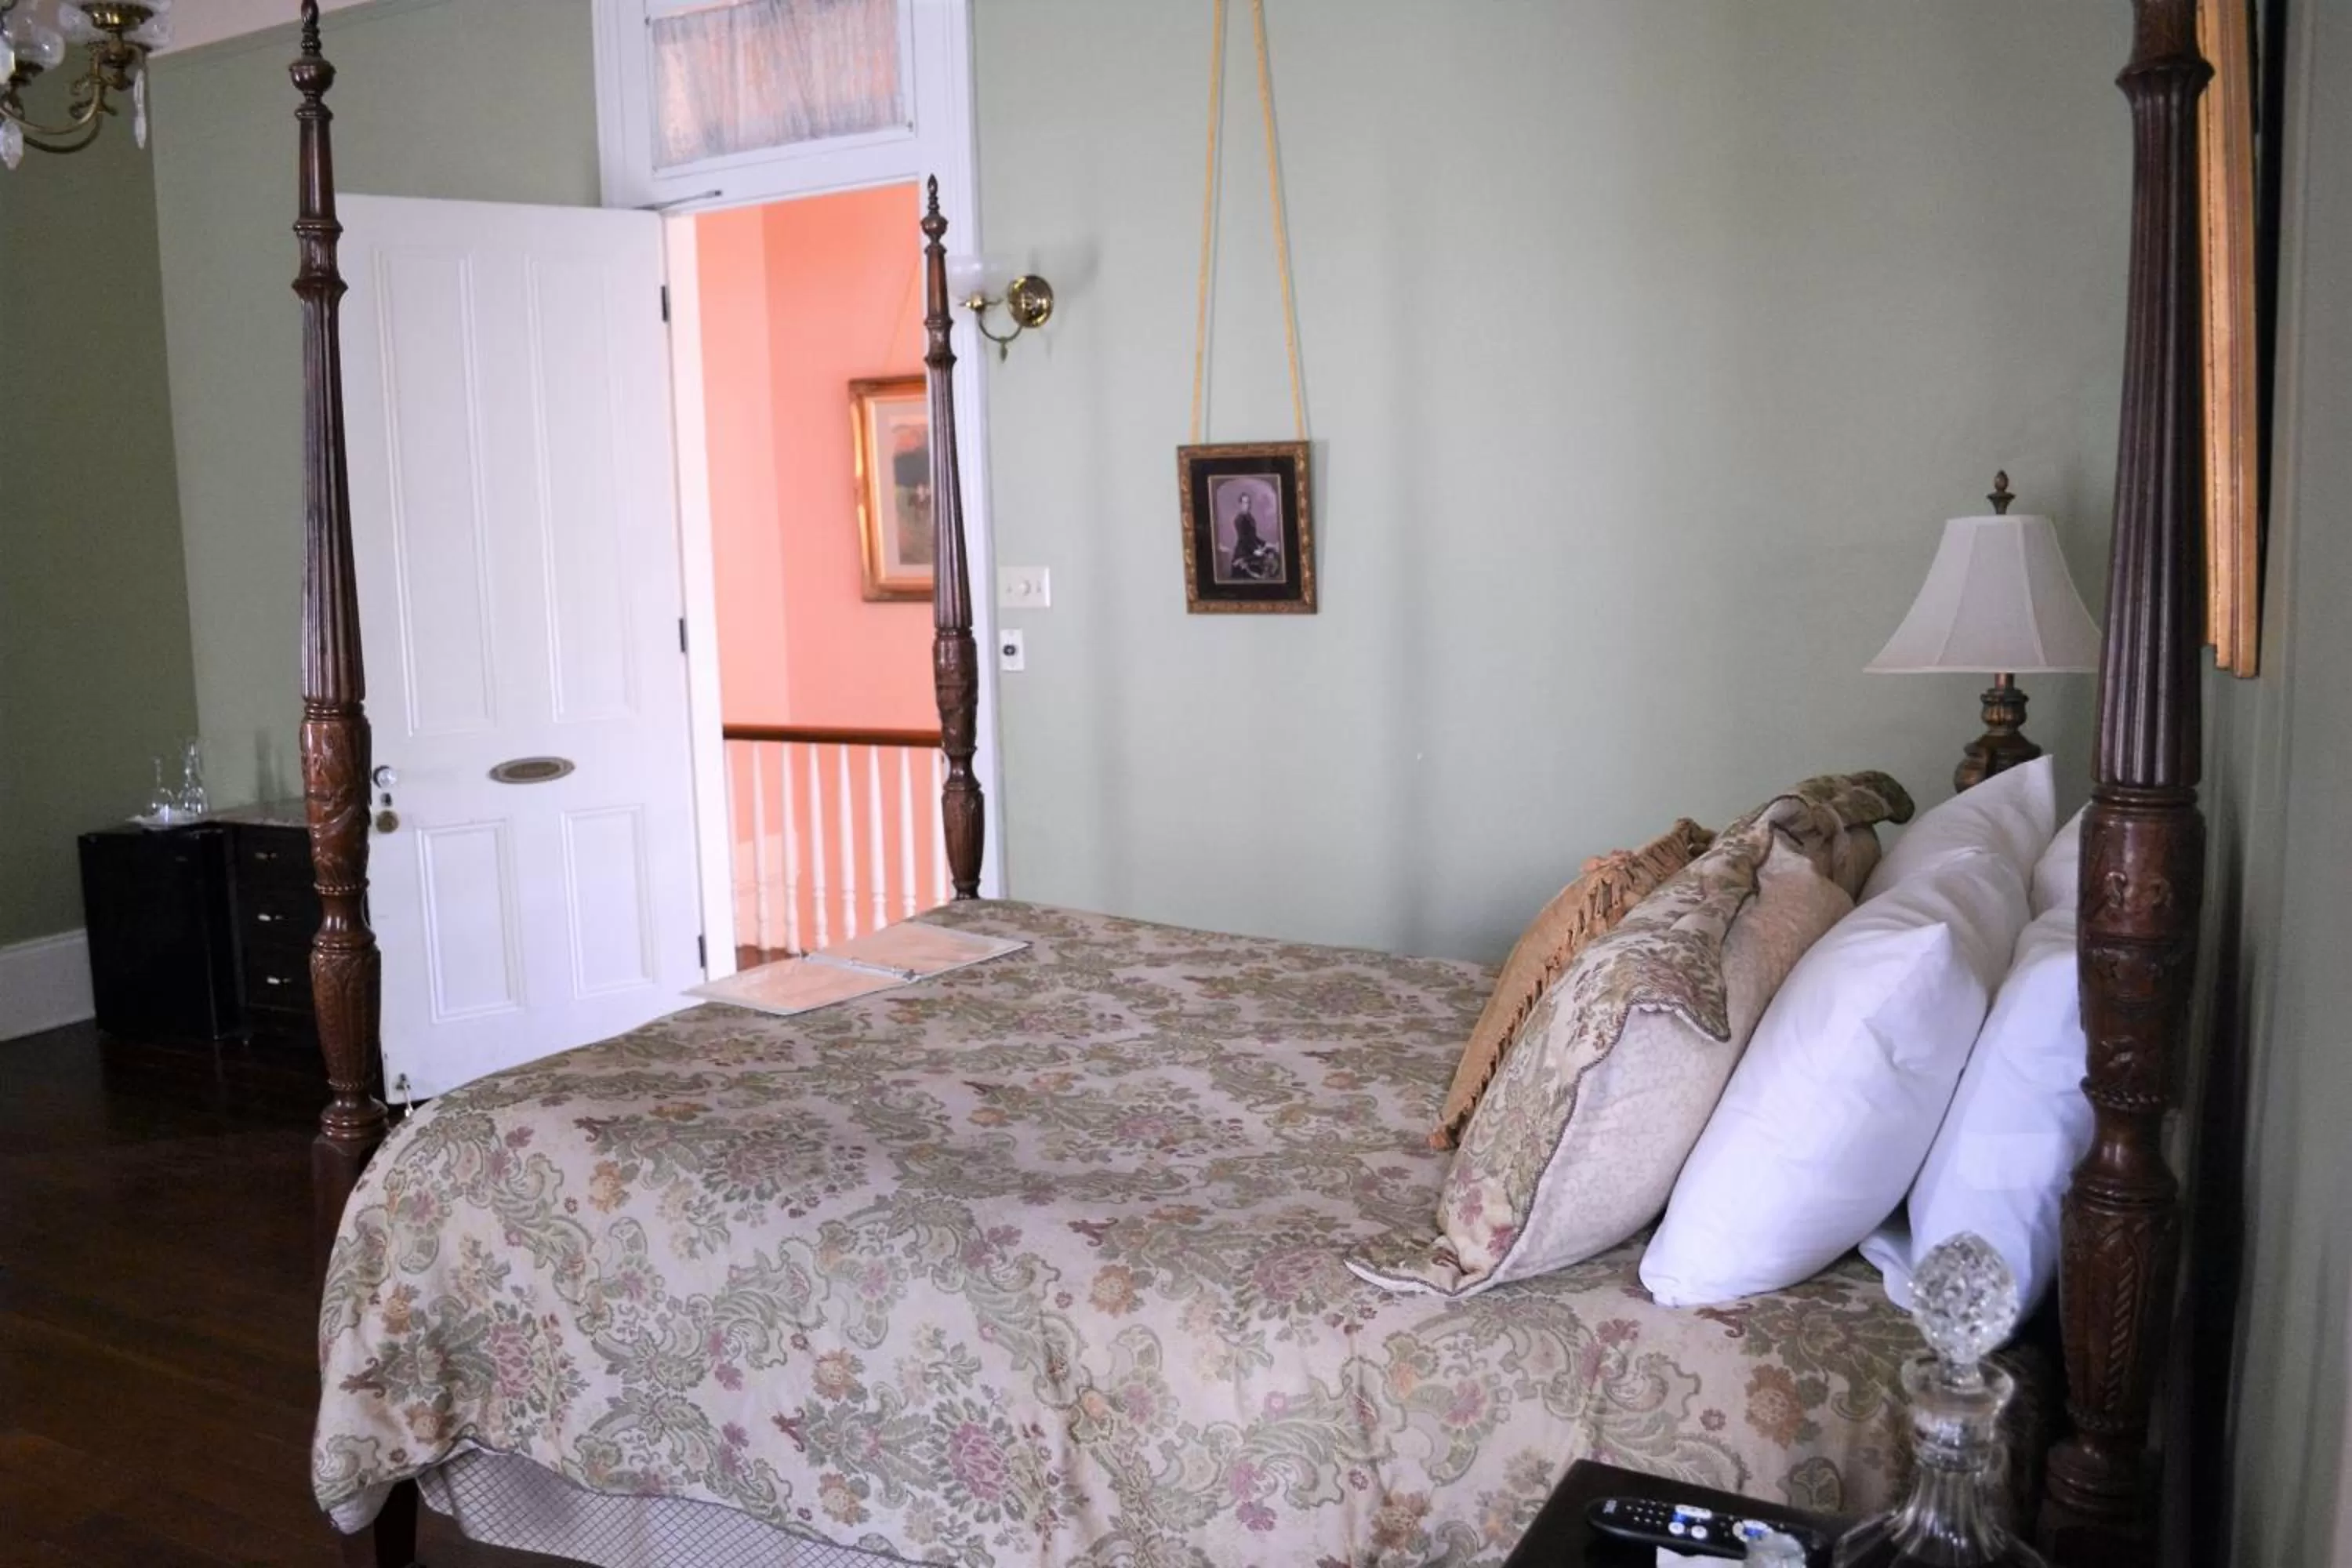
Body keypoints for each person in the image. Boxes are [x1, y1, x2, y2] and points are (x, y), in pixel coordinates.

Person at [1225, 492, 1283, 582]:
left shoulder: (1250, 518)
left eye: (1248, 502)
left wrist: (1268, 544)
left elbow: (1254, 537)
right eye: (1245, 503)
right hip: (1243, 552)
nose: (1247, 505)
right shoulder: (1239, 520)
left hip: (1252, 551)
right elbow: (1244, 539)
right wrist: (1254, 550)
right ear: (1240, 504)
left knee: (1271, 559)